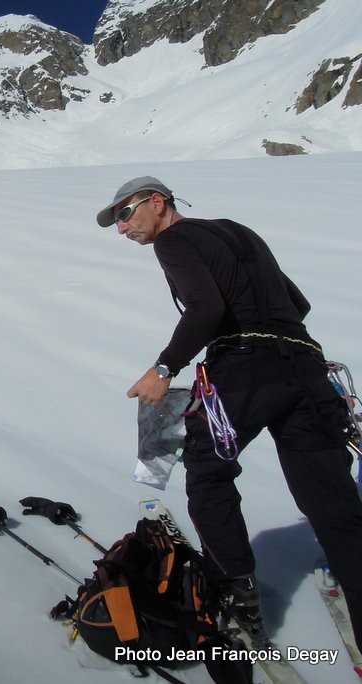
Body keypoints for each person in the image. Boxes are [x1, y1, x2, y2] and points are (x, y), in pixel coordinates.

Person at [96, 176, 362, 650]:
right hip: (306, 367)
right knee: (332, 502)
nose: (121, 228)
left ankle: (237, 602)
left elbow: (206, 307)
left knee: (208, 472)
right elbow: (297, 303)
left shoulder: (174, 240)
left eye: (124, 214)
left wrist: (164, 368)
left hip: (243, 367)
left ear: (157, 203)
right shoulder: (237, 232)